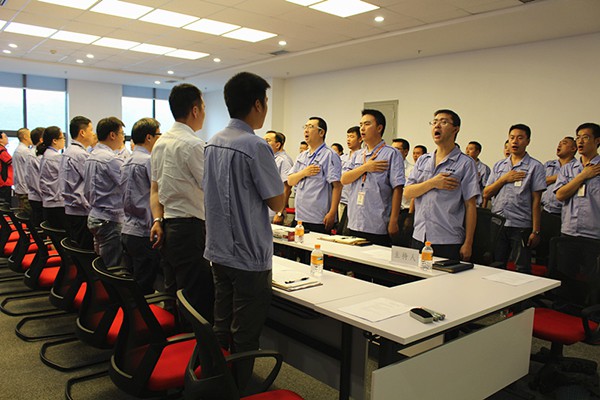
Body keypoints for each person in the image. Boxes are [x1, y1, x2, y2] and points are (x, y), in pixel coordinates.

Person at [204, 72, 284, 392]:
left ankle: (215, 384)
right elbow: (277, 202)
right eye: (265, 102)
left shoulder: (213, 141)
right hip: (249, 256)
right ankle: (237, 391)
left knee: (221, 325)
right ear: (257, 104)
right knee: (246, 334)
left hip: (219, 251)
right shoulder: (255, 145)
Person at [150, 83, 214, 324]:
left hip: (167, 227)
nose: (204, 113)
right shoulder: (194, 144)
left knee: (173, 291)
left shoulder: (161, 142)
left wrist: (157, 220)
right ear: (195, 110)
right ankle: (191, 343)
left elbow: (154, 190)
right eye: (203, 107)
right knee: (195, 297)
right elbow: (212, 190)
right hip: (190, 229)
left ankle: (174, 337)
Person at [403, 109, 479, 260]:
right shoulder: (423, 160)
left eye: (443, 122)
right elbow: (407, 192)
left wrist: (468, 242)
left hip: (448, 239)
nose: (437, 126)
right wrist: (433, 183)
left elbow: (470, 205)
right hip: (420, 235)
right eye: (434, 122)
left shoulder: (465, 163)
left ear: (455, 129)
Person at [484, 124, 546, 274]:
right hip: (498, 223)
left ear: (528, 141)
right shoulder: (499, 165)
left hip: (520, 225)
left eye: (520, 138)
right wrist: (504, 179)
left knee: (521, 268)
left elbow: (536, 201)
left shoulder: (535, 166)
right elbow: (486, 193)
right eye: (512, 138)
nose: (515, 141)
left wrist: (536, 231)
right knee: (496, 266)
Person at [341, 109, 404, 246]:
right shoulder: (357, 155)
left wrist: (393, 220)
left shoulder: (391, 154)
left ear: (379, 128)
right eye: (361, 124)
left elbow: (398, 188)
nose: (362, 128)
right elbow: (344, 179)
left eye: (367, 124)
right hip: (355, 221)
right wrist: (365, 167)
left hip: (377, 224)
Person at [121, 118, 162, 295]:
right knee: (144, 288)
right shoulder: (149, 161)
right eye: (159, 134)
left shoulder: (126, 160)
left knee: (132, 283)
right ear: (149, 137)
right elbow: (159, 193)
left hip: (128, 229)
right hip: (145, 232)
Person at [287, 117, 342, 234]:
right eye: (305, 127)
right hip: (300, 216)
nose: (306, 130)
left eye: (310, 127)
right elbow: (290, 181)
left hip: (318, 218)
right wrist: (304, 173)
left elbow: (337, 186)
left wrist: (332, 212)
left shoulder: (330, 155)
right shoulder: (302, 156)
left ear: (321, 132)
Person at [84, 117, 126, 268]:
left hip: (95, 215)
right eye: (122, 134)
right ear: (112, 135)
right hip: (110, 219)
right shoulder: (111, 159)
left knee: (101, 261)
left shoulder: (92, 156)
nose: (123, 138)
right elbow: (129, 186)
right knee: (113, 266)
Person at [555, 123, 600, 239]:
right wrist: (582, 176)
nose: (580, 141)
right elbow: (560, 195)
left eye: (585, 137)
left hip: (595, 234)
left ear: (597, 141)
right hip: (569, 231)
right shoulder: (567, 169)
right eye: (578, 138)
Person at [61, 116, 95, 249]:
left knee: (77, 250)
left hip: (72, 209)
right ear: (82, 132)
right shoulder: (80, 155)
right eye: (91, 130)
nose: (93, 134)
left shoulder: (69, 151)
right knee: (85, 250)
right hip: (81, 211)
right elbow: (92, 182)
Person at [263, 130, 293, 224]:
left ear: (277, 145)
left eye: (267, 141)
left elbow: (287, 187)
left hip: (274, 211)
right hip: (264, 208)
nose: (264, 143)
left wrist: (280, 212)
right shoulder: (267, 158)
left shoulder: (283, 161)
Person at [39, 126, 66, 229]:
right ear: (54, 140)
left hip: (49, 201)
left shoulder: (46, 154)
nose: (64, 140)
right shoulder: (55, 157)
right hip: (57, 202)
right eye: (62, 138)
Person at [338, 126, 362, 234]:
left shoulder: (362, 157)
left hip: (354, 203)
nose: (348, 139)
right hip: (341, 200)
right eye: (347, 137)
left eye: (352, 137)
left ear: (360, 139)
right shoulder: (342, 158)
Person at [26, 128, 44, 227]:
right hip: (39, 197)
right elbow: (38, 178)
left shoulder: (31, 153)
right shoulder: (37, 155)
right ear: (41, 140)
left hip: (35, 195)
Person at [465, 141, 491, 206]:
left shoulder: (484, 168)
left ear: (478, 152)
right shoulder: (462, 166)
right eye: (466, 149)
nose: (467, 151)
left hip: (475, 204)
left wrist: (484, 206)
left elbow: (485, 189)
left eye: (470, 149)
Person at [12, 128, 32, 213]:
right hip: (25, 188)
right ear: (25, 137)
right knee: (27, 213)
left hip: (20, 187)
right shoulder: (24, 151)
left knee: (22, 211)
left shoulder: (18, 150)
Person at [392, 138, 413, 210]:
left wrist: (410, 213)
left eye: (397, 149)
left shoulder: (412, 170)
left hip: (405, 210)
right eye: (392, 149)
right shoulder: (386, 169)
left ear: (406, 152)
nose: (393, 152)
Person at [0, 132, 13, 205]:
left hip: (3, 181)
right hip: (4, 181)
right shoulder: (2, 151)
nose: (7, 138)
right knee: (5, 204)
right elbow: (10, 161)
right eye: (5, 137)